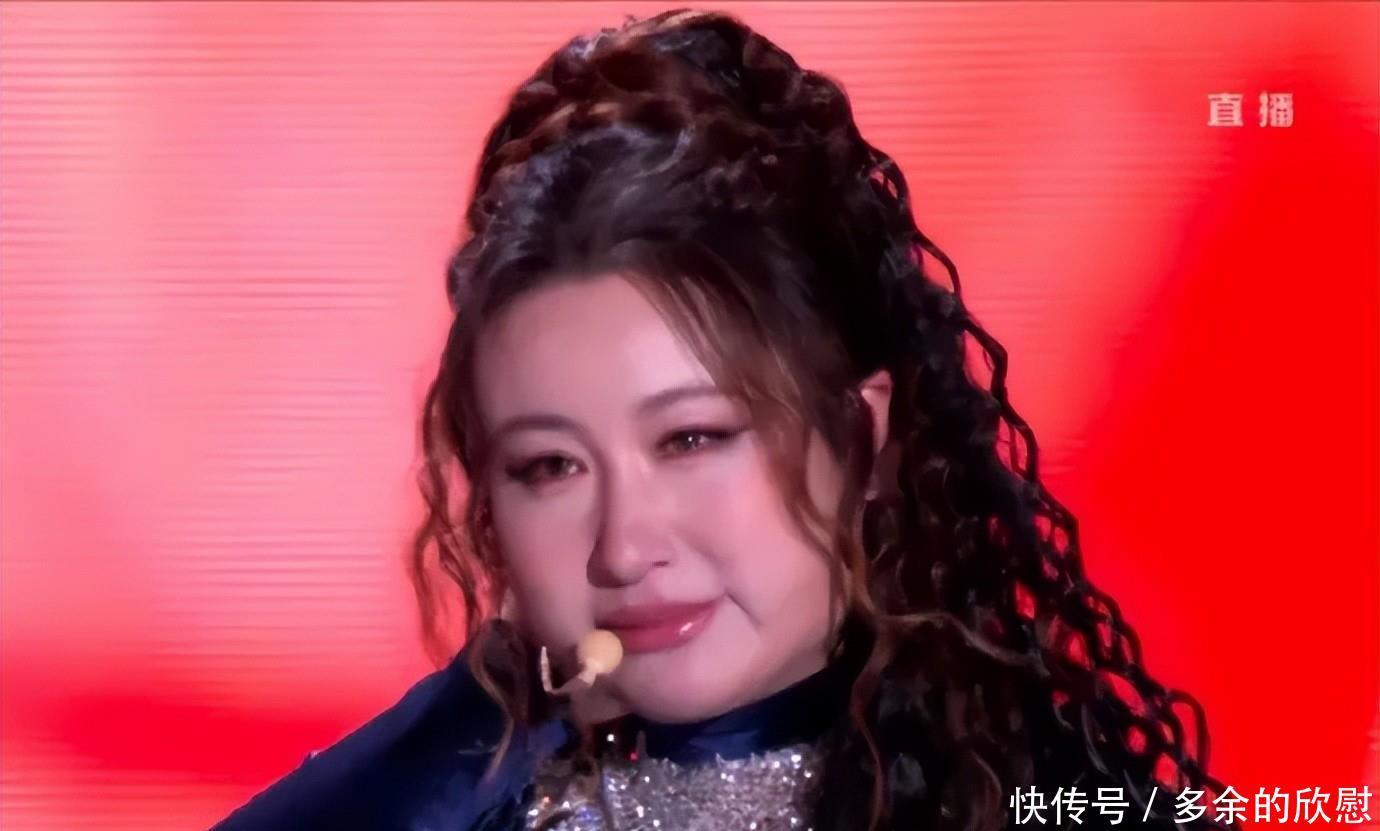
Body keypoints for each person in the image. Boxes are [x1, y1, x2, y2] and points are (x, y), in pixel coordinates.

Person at [210, 8, 1236, 831]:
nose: (622, 549)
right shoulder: (468, 789)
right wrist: (471, 730)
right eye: (549, 467)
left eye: (691, 439)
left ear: (861, 437)